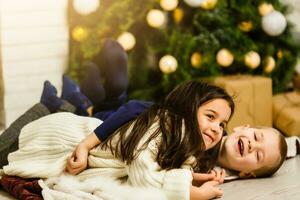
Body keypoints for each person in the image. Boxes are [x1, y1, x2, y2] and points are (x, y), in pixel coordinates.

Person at [0, 78, 234, 200]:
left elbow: (163, 168)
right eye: (210, 117)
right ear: (188, 108)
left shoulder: (182, 140)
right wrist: (194, 194)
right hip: (61, 137)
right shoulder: (160, 126)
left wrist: (194, 177)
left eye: (222, 124)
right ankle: (52, 102)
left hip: (82, 136)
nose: (216, 128)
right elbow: (144, 175)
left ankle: (62, 100)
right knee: (2, 154)